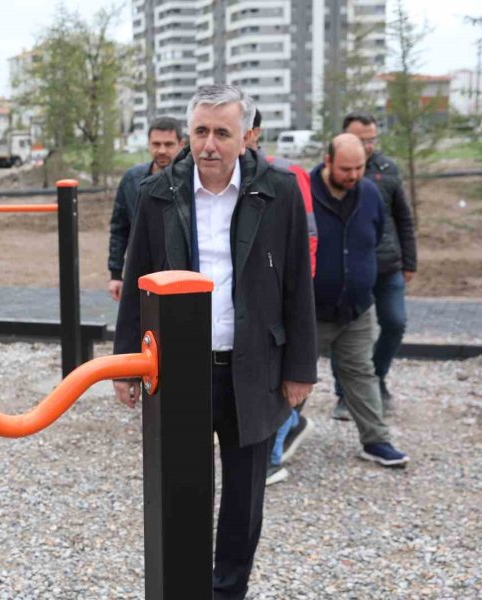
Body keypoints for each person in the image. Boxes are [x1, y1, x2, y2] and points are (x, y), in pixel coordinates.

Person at [113, 84, 317, 600]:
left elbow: (298, 282)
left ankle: (227, 591)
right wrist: (126, 363)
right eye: (200, 131)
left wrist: (300, 367)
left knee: (245, 499)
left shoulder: (279, 191)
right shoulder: (158, 194)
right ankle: (185, 585)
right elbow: (137, 278)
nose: (208, 144)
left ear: (247, 136)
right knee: (182, 489)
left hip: (254, 366)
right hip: (181, 369)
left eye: (222, 133)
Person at [311, 134, 410, 468]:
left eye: (359, 168)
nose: (353, 175)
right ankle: (271, 446)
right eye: (345, 169)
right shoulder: (303, 194)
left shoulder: (369, 193)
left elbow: (375, 235)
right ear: (327, 162)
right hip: (312, 311)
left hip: (356, 308)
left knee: (361, 374)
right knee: (293, 377)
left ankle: (376, 440)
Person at [244, 109, 317, 486]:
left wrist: (295, 290)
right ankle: (287, 428)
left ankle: (273, 455)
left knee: (276, 376)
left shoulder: (286, 176)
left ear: (253, 133)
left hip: (279, 294)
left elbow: (307, 238)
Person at [332, 112, 418, 417]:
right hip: (350, 269)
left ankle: (376, 378)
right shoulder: (332, 171)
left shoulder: (388, 170)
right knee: (344, 331)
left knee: (395, 322)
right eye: (361, 140)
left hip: (387, 265)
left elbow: (403, 218)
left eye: (372, 140)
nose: (368, 146)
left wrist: (410, 260)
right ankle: (345, 394)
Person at [108, 117, 184, 300]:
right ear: (148, 144)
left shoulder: (191, 182)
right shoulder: (132, 180)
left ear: (181, 144)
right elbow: (120, 229)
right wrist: (115, 274)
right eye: (156, 144)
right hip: (141, 271)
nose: (162, 150)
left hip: (182, 273)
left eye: (168, 144)